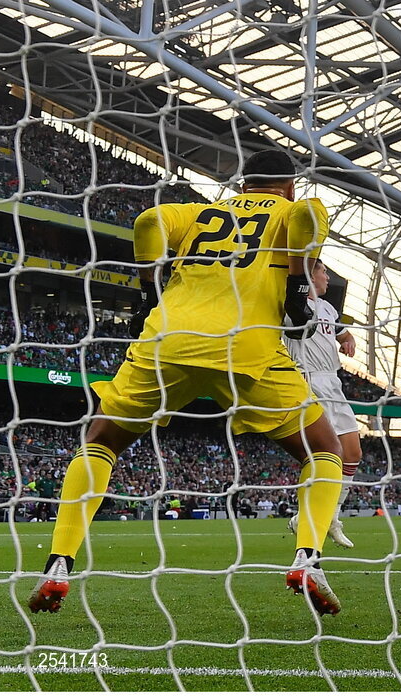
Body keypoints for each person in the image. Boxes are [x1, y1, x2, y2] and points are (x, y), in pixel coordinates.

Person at [27, 150, 345, 616]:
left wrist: (148, 293)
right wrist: (298, 283)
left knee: (101, 441)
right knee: (323, 450)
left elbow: (149, 220)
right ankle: (307, 558)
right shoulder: (294, 208)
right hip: (247, 349)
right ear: (289, 185)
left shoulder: (197, 213)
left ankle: (58, 563)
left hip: (168, 341)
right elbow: (306, 215)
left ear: (242, 186)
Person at [283, 258, 360, 549]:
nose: (327, 277)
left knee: (353, 453)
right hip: (307, 381)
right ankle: (311, 518)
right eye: (323, 271)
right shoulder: (291, 304)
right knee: (328, 454)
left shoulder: (328, 308)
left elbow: (342, 332)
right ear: (309, 274)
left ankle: (329, 517)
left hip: (333, 382)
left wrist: (348, 340)